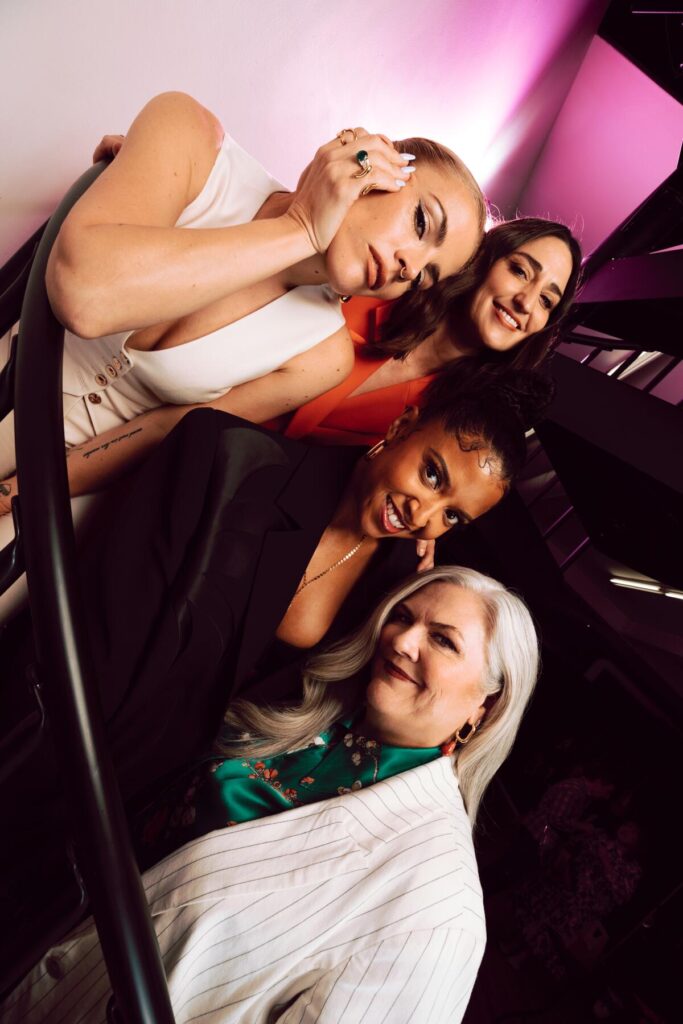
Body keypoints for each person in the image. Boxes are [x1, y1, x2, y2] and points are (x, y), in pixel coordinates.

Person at [0, 90, 485, 618]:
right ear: (373, 162)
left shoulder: (322, 359)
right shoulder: (193, 138)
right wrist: (298, 229)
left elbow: (166, 429)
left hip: (67, 492)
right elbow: (84, 297)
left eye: (426, 275)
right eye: (420, 223)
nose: (408, 267)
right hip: (14, 376)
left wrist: (24, 493)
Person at [2, 565, 540, 1023]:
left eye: (443, 640)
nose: (401, 640)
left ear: (485, 707)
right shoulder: (310, 723)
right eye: (403, 616)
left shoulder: (441, 912)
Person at [284, 216, 582, 445]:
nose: (526, 302)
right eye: (520, 271)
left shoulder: (444, 418)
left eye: (546, 300)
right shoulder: (374, 284)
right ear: (485, 259)